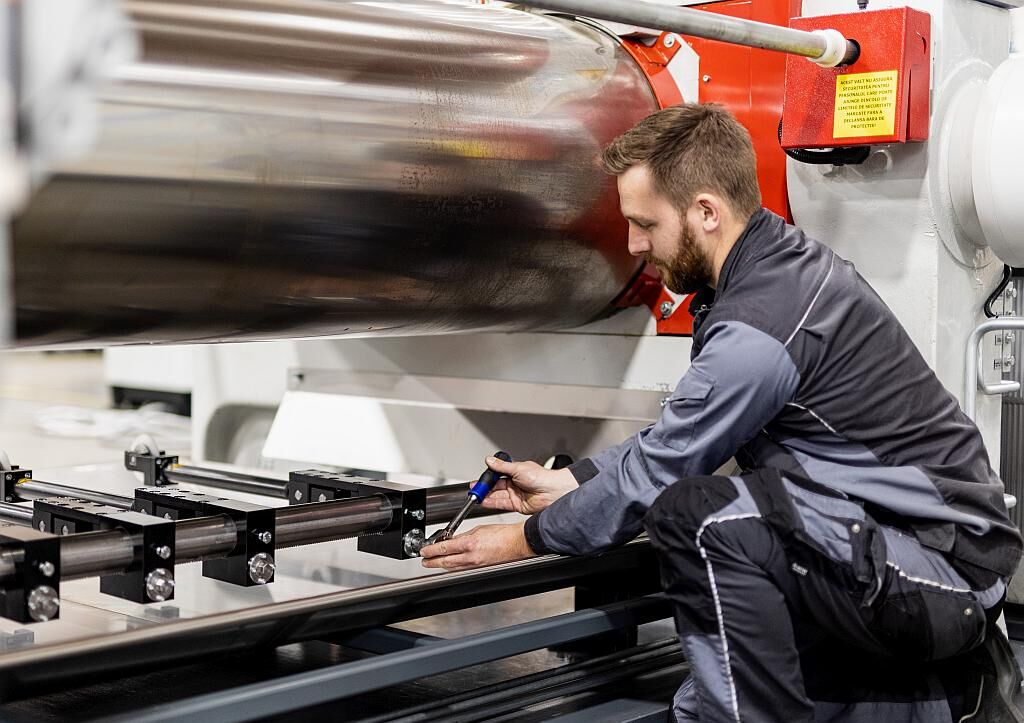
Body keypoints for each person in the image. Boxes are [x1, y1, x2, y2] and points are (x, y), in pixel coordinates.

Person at [420, 103, 1024, 722]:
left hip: (943, 574)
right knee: (704, 671)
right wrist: (570, 483)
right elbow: (680, 432)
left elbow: (665, 467)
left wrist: (523, 541)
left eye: (644, 223)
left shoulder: (765, 318)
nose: (633, 244)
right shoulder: (764, 273)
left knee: (698, 514)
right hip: (879, 546)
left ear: (706, 212)